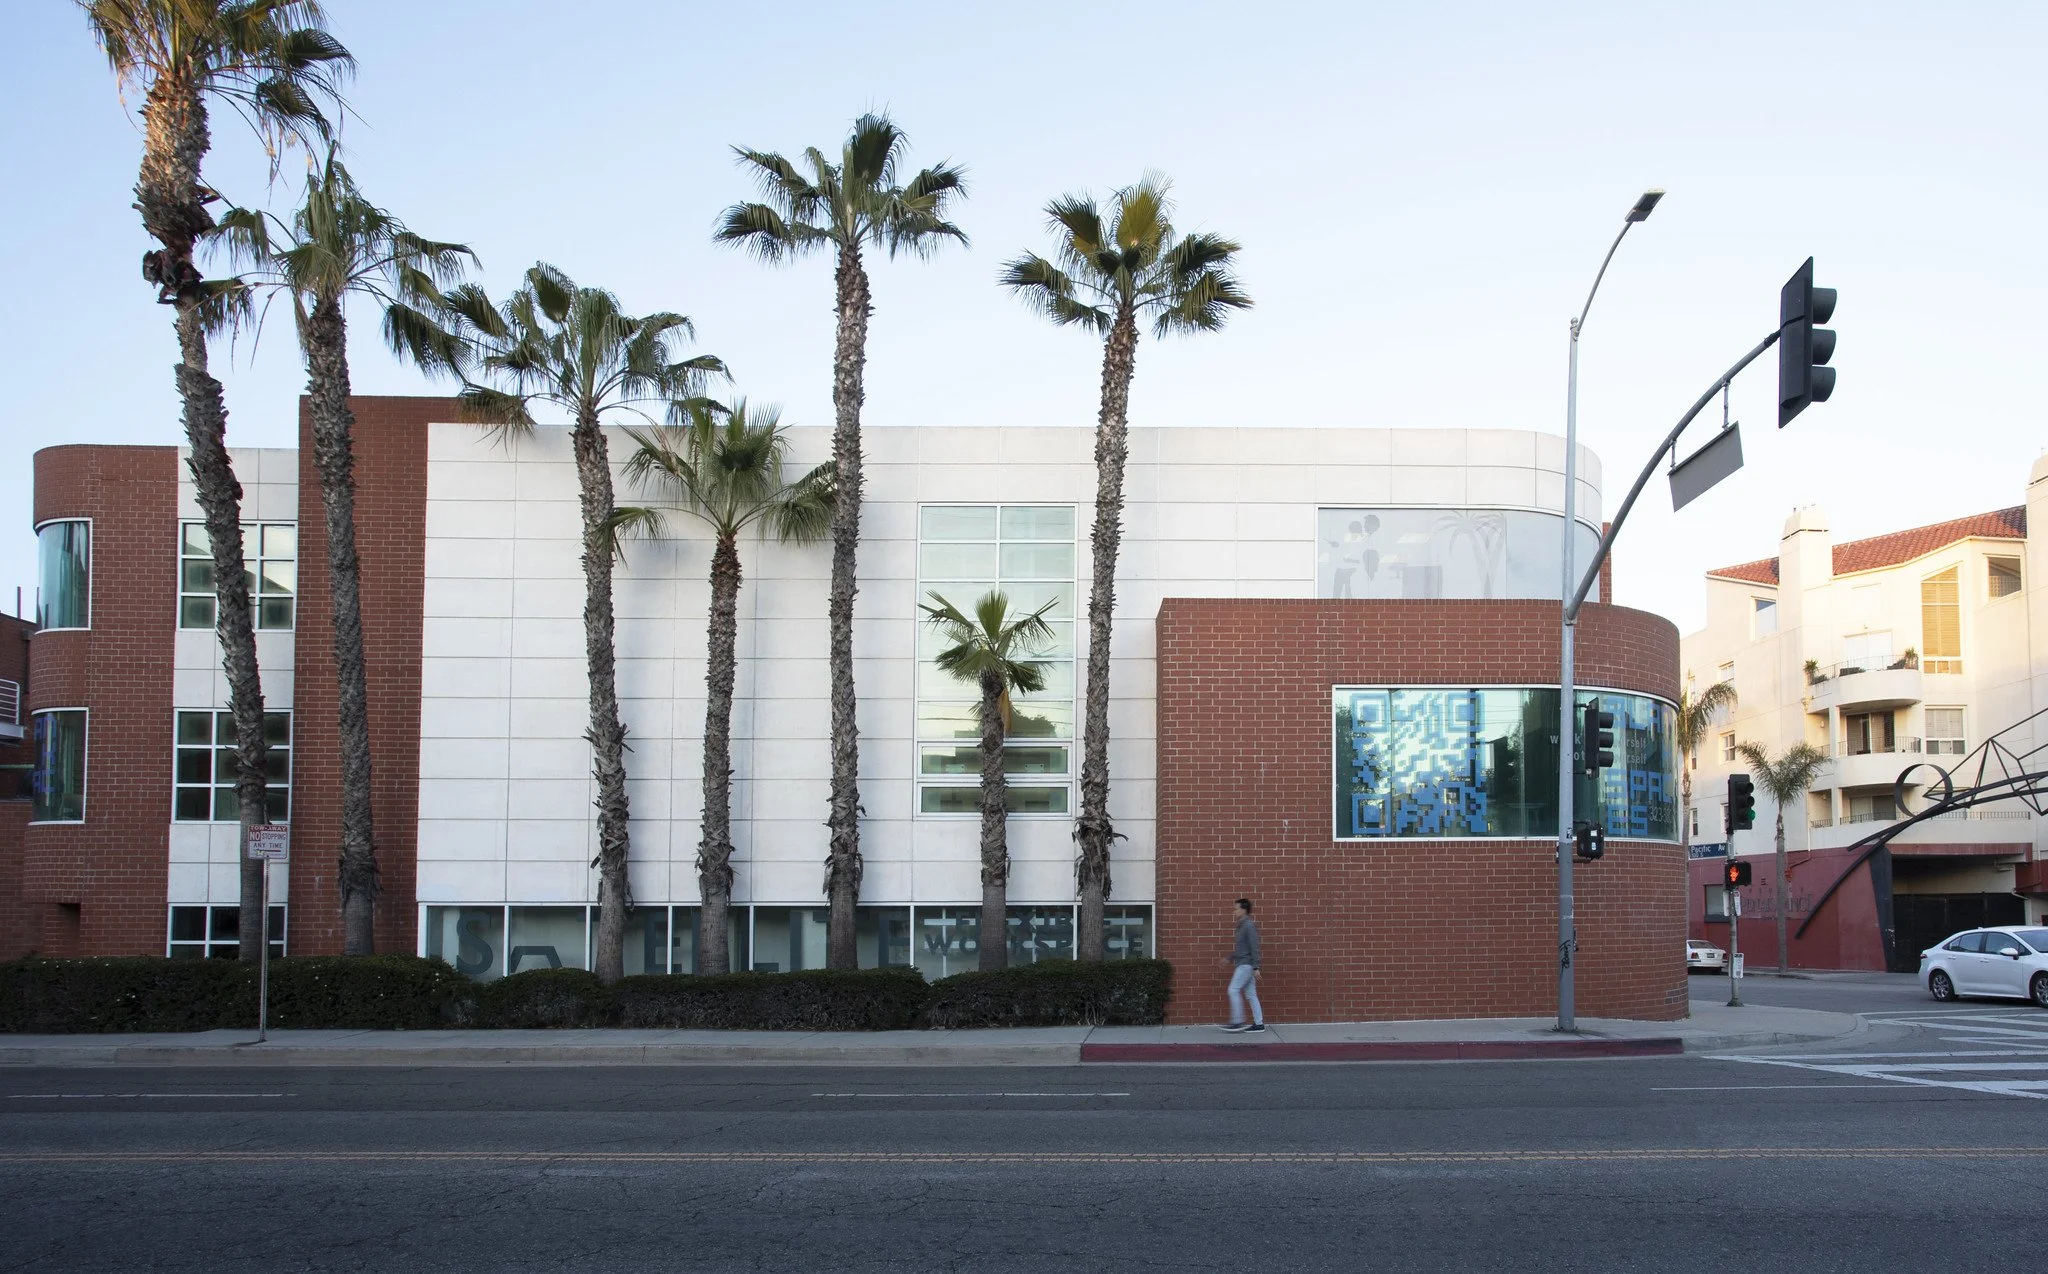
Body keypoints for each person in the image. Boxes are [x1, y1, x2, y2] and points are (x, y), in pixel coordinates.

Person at [1221, 897, 1264, 1033]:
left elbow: (1254, 947)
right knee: (1251, 995)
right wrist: (1230, 957)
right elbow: (1241, 949)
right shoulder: (1241, 925)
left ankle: (1237, 1021)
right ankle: (1259, 1024)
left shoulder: (1249, 925)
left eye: (1236, 909)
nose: (1234, 911)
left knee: (1233, 990)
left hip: (1246, 965)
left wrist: (1256, 967)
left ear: (1244, 910)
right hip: (1245, 964)